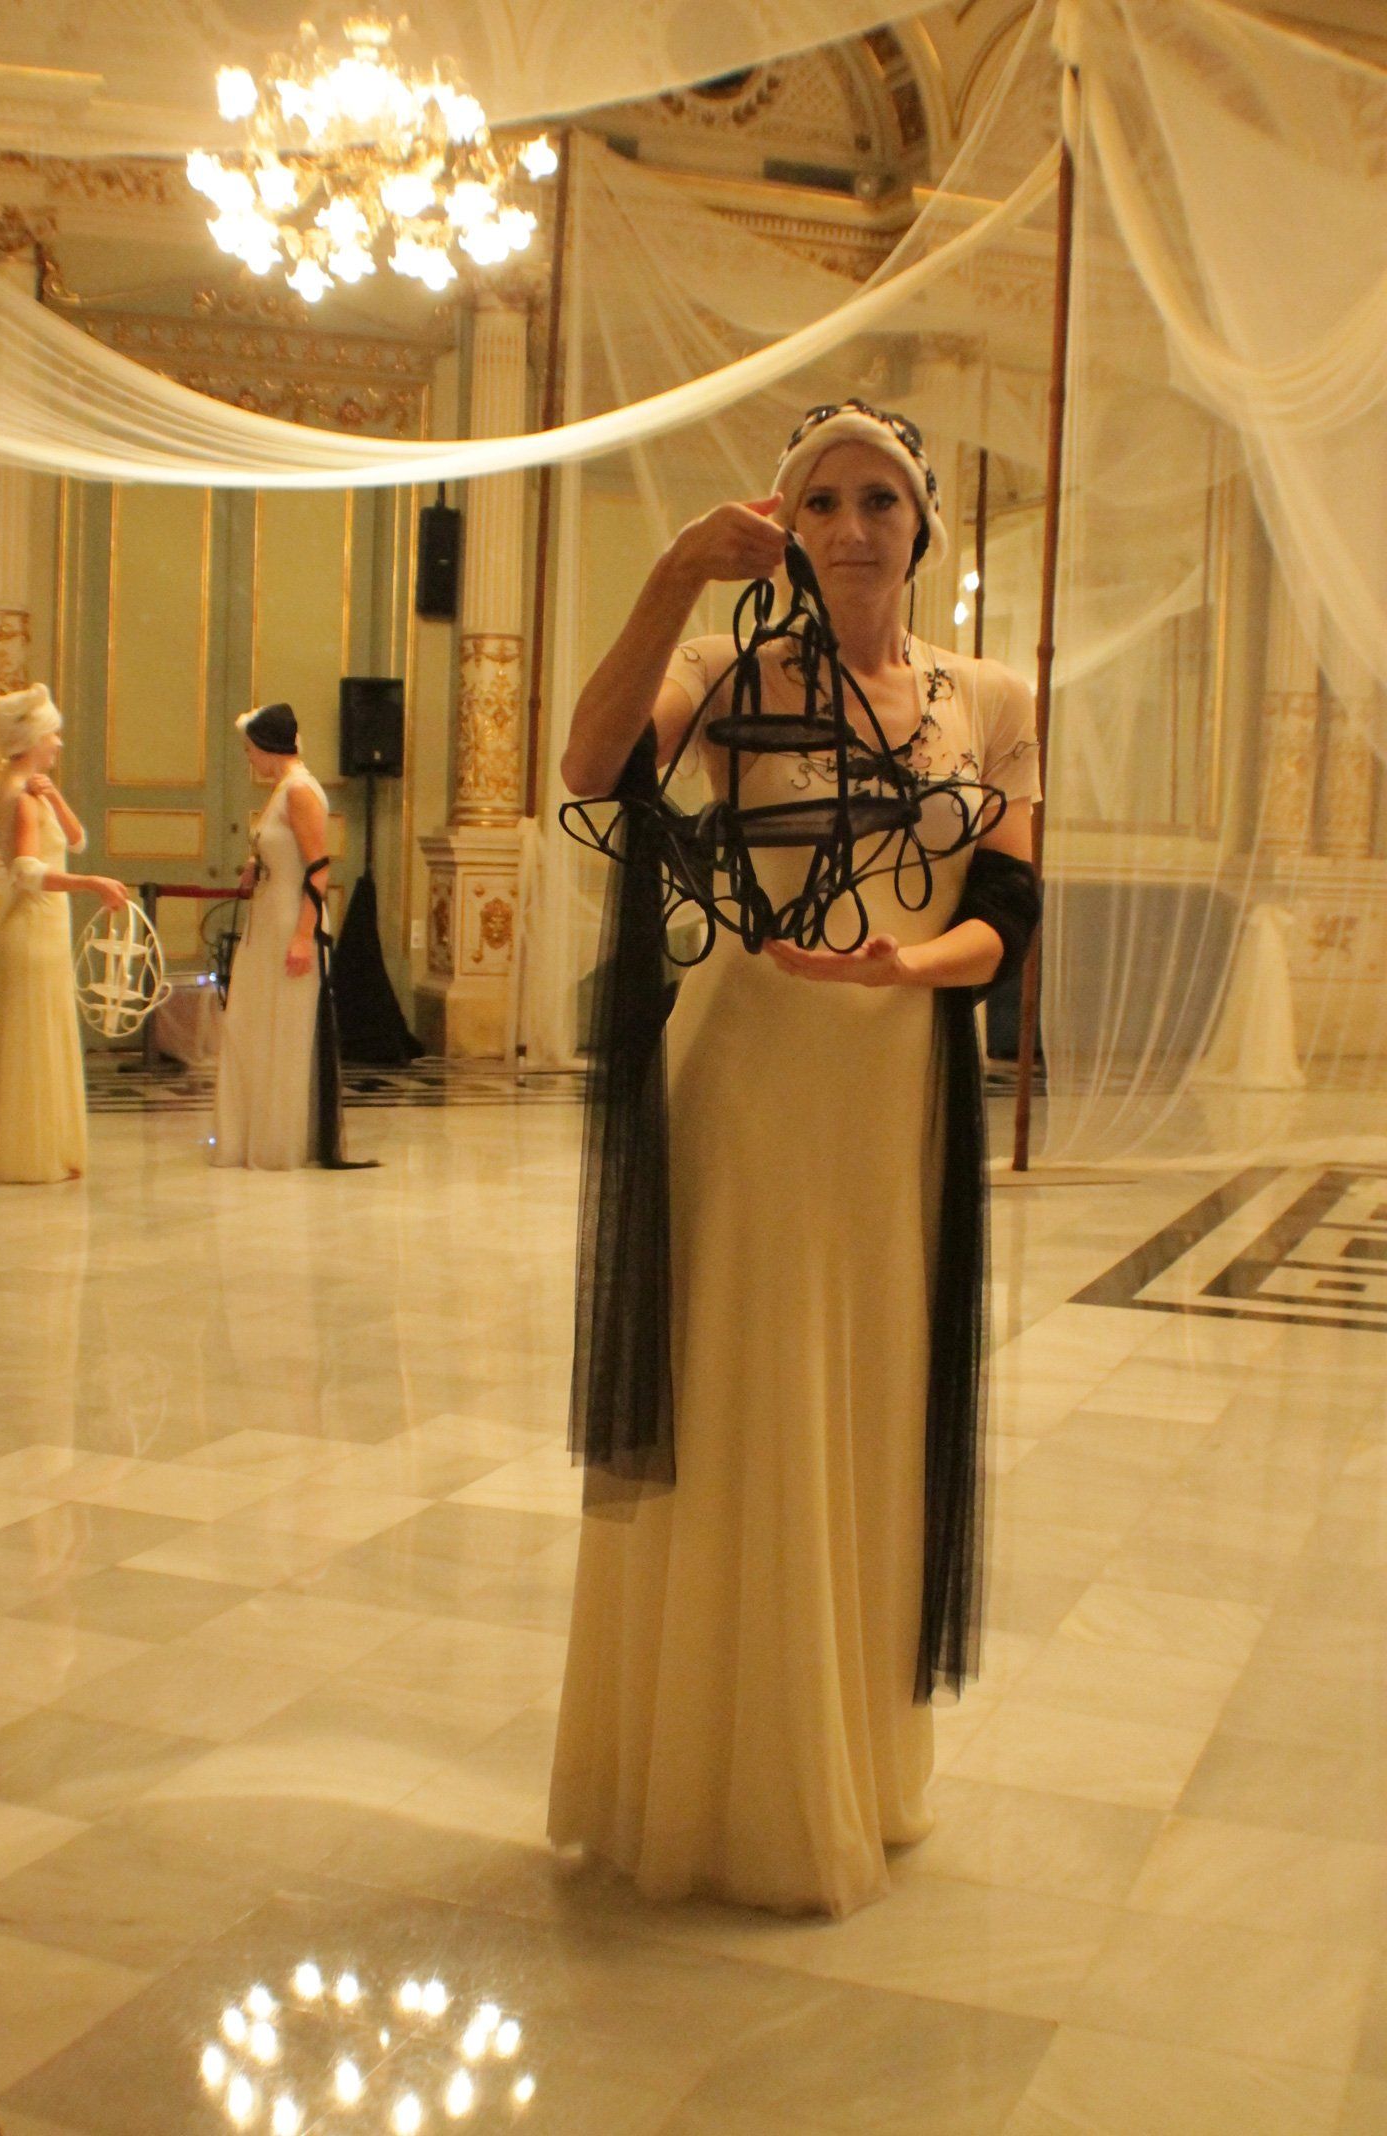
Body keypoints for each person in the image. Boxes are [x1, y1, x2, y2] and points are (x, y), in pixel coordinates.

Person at [547, 402, 1040, 1916]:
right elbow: (588, 764)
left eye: (878, 499)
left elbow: (1006, 917)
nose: (849, 526)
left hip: (894, 1098)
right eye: (820, 500)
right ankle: (720, 1787)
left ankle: (843, 1762)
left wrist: (905, 968)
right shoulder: (726, 670)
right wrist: (671, 578)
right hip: (746, 1086)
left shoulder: (992, 697)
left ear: (922, 523)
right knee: (745, 1404)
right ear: (784, 521)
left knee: (866, 1410)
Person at [0, 684, 126, 1185]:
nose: (58, 743)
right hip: (33, 928)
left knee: (43, 1038)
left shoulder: (31, 789)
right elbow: (27, 872)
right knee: (34, 1045)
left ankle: (43, 1147)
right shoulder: (20, 798)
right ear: (34, 738)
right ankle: (28, 1154)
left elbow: (77, 840)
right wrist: (92, 883)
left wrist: (55, 796)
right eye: (53, 734)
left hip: (43, 928)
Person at [212, 701, 333, 1170]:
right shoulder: (282, 789)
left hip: (289, 922)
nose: (248, 758)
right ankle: (252, 1135)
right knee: (251, 1027)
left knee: (282, 1032)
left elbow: (319, 869)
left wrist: (303, 937)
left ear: (266, 747)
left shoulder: (299, 791)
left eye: (250, 750)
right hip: (266, 921)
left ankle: (279, 1143)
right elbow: (285, 851)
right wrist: (253, 865)